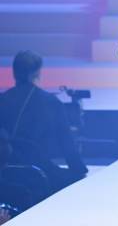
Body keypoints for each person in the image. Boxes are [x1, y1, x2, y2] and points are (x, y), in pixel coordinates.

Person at [0, 50, 88, 195]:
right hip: (39, 174)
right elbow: (66, 142)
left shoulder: (3, 100)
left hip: (6, 172)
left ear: (15, 72)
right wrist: (79, 171)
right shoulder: (51, 103)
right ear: (36, 73)